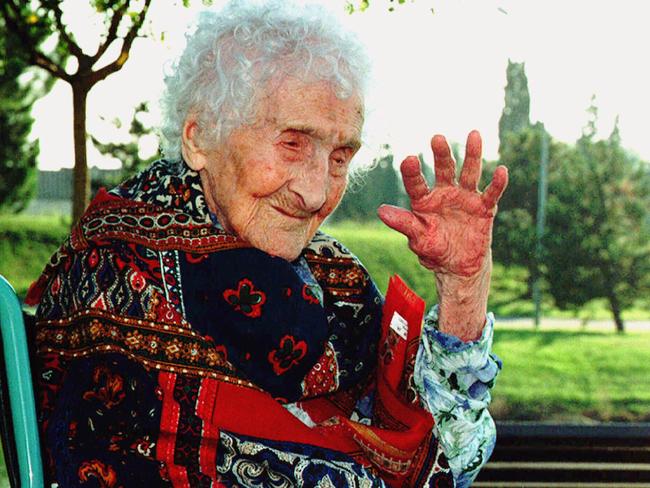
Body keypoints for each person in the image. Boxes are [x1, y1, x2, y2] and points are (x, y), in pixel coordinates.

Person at [27, 1, 508, 486]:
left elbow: (452, 450)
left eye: (340, 157)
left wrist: (464, 286)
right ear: (199, 138)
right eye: (292, 144)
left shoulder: (331, 281)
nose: (316, 191)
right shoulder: (122, 273)